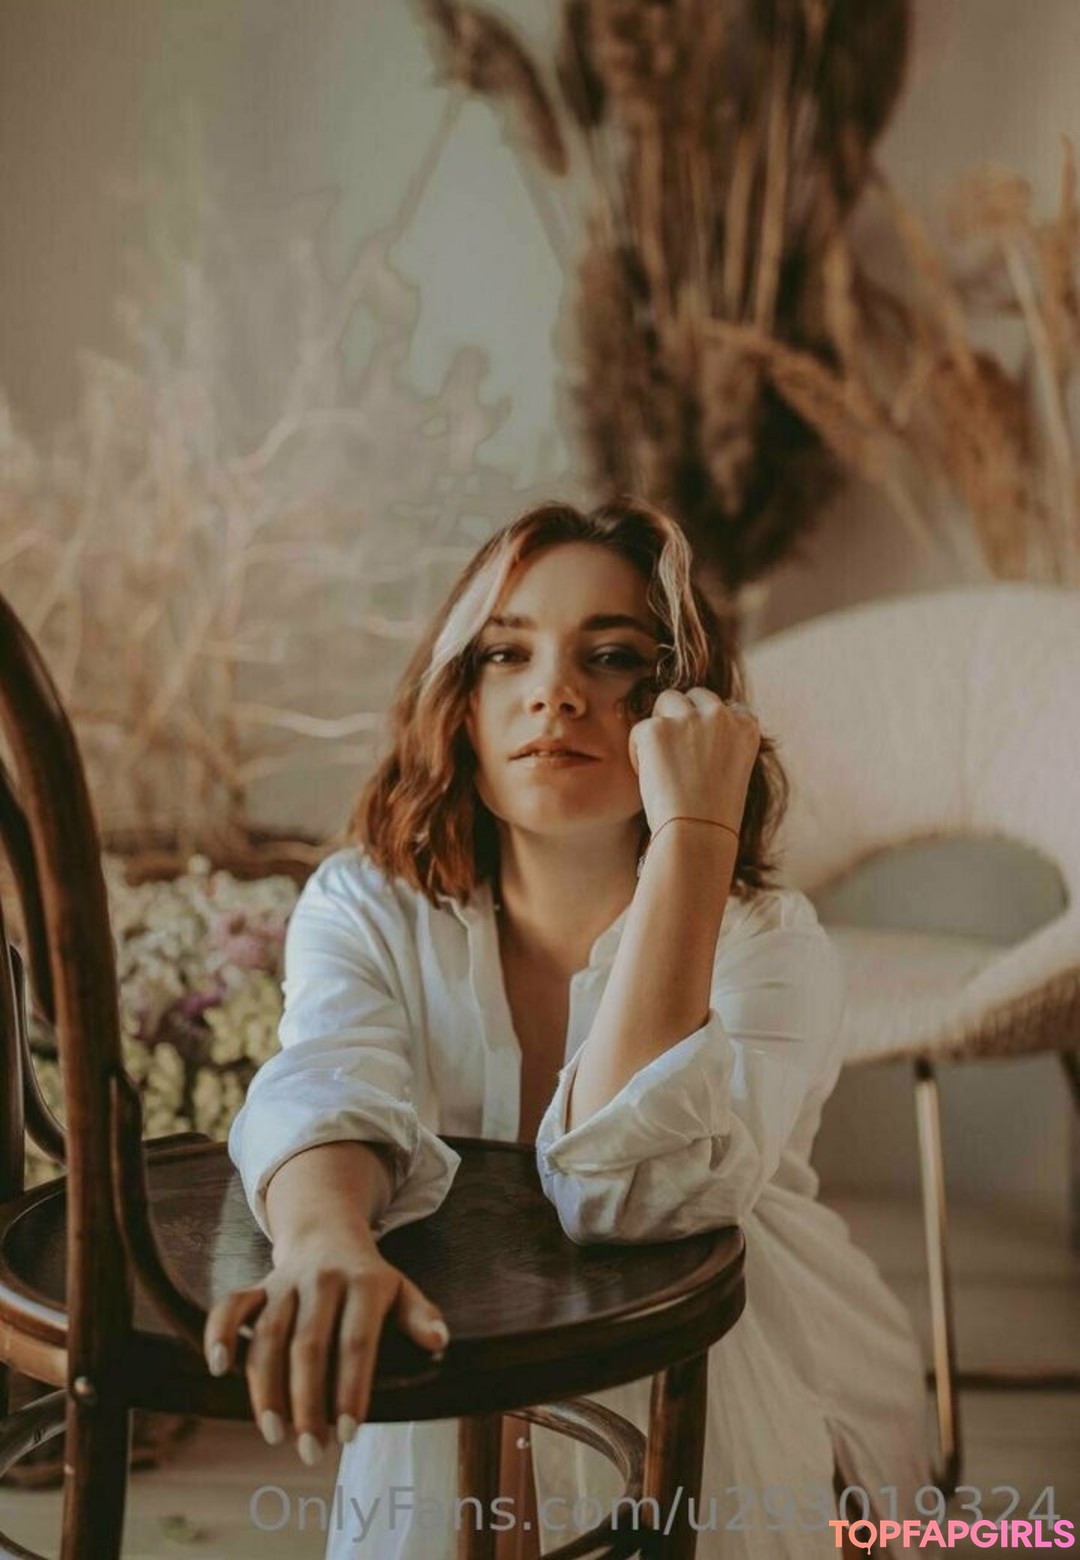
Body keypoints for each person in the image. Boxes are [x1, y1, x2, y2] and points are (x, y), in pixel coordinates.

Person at [205, 497, 931, 1560]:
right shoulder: (366, 904)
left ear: (684, 712)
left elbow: (634, 1202)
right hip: (469, 1336)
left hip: (729, 1337)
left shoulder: (770, 942)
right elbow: (329, 1077)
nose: (555, 692)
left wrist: (695, 833)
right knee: (456, 1359)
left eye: (614, 657)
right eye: (507, 654)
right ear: (459, 704)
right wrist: (324, 1241)